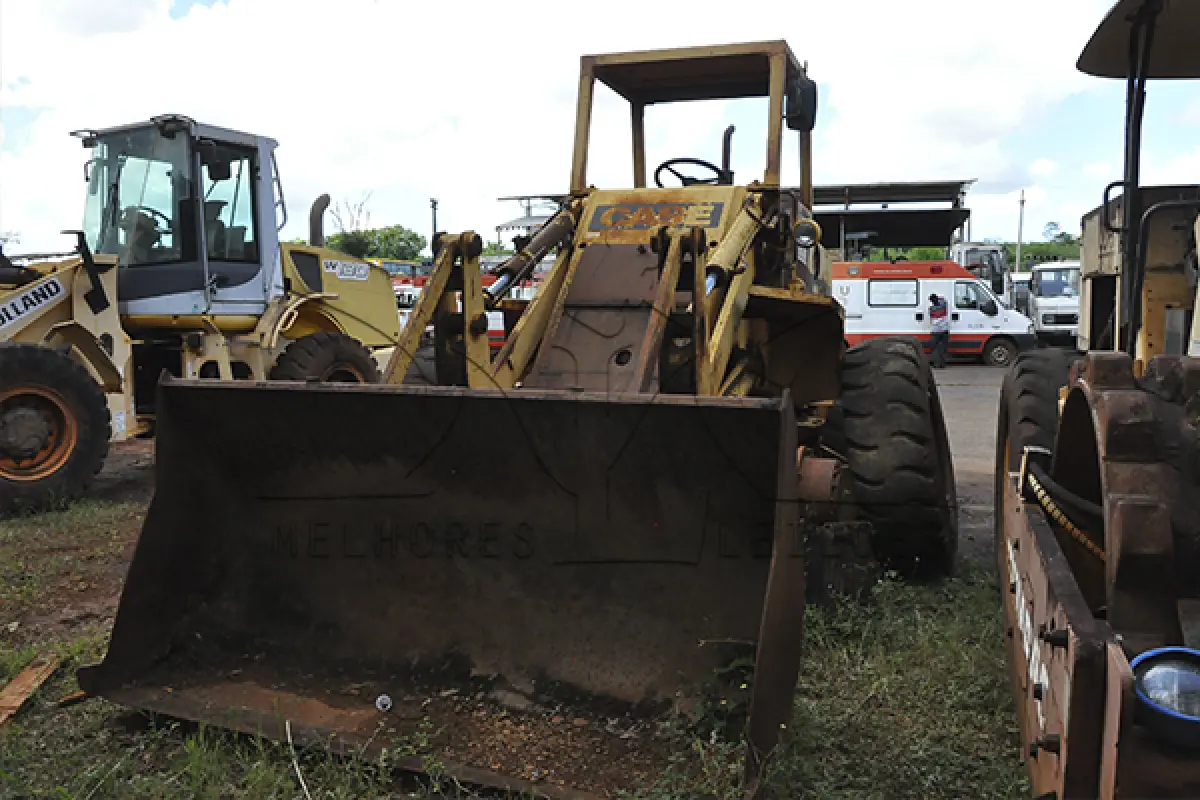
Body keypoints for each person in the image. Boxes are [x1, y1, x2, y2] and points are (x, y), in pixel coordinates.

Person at [929, 293, 950, 368]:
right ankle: (942, 364)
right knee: (943, 348)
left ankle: (936, 364)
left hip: (935, 331)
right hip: (944, 330)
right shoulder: (943, 305)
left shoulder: (931, 309)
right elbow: (944, 299)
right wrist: (939, 298)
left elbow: (931, 317)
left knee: (935, 348)